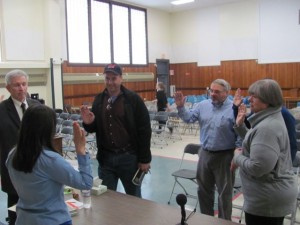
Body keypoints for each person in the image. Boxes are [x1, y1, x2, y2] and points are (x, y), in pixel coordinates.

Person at [6, 104, 93, 225]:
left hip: (24, 219)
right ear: (49, 129)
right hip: (52, 220)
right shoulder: (50, 159)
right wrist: (81, 150)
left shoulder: (12, 155)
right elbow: (86, 183)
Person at [231, 79, 297, 225]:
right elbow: (258, 143)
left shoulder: (267, 127)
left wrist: (237, 157)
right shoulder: (270, 117)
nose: (249, 99)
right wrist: (240, 127)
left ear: (268, 100)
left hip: (266, 199)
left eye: (254, 96)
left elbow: (257, 168)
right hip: (269, 195)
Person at [80, 63, 151, 197]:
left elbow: (144, 130)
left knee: (134, 200)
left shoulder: (133, 100)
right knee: (106, 199)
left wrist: (145, 159)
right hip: (106, 159)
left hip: (129, 159)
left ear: (121, 78)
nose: (110, 82)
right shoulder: (99, 100)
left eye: (114, 78)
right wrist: (88, 123)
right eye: (107, 78)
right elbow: (93, 127)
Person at [174, 79, 241, 220]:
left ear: (226, 93)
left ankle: (224, 222)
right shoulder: (202, 105)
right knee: (203, 191)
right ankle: (206, 220)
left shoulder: (234, 109)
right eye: (211, 90)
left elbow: (240, 135)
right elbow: (189, 118)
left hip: (225, 157)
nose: (213, 94)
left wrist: (237, 154)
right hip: (204, 154)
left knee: (224, 194)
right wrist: (181, 107)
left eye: (217, 91)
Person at [0, 69, 41, 225]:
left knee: (36, 213)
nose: (21, 88)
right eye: (17, 85)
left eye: (24, 84)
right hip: (13, 172)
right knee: (15, 214)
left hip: (37, 170)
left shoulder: (37, 106)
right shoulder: (2, 110)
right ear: (8, 88)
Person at [232, 87, 297, 162]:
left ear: (267, 98)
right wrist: (236, 108)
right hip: (255, 159)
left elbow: (291, 144)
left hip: (273, 166)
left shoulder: (284, 114)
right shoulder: (259, 112)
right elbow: (250, 134)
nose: (249, 99)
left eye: (255, 96)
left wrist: (285, 167)